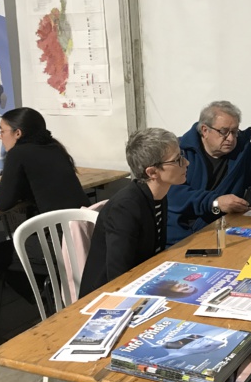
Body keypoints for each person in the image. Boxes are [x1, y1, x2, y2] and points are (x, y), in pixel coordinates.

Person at [0, 107, 90, 303]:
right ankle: (52, 291)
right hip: (83, 235)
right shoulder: (55, 148)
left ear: (17, 133)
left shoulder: (18, 153)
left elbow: (3, 202)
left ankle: (46, 301)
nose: (0, 137)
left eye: (2, 131)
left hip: (59, 242)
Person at [79, 128, 188, 298]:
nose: (186, 162)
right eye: (177, 159)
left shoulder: (159, 195)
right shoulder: (125, 208)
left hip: (144, 281)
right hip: (106, 296)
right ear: (152, 172)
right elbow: (118, 276)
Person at [166, 100, 251, 246]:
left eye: (234, 132)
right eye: (224, 132)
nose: (231, 138)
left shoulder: (244, 149)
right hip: (183, 235)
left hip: (227, 229)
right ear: (205, 130)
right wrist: (215, 202)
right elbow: (171, 193)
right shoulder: (178, 152)